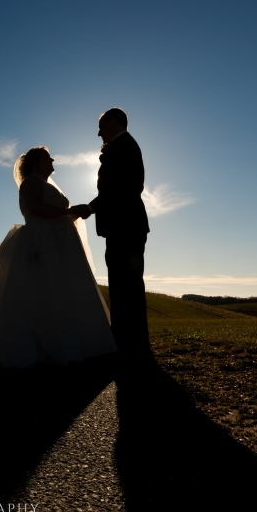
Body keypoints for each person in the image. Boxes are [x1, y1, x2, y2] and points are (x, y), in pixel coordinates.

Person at [0, 147, 117, 368]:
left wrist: (72, 213)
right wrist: (67, 212)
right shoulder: (31, 182)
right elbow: (36, 209)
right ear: (36, 164)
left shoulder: (45, 184)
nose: (53, 159)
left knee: (65, 290)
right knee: (47, 291)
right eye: (48, 157)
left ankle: (76, 342)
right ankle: (49, 344)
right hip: (42, 242)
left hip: (58, 243)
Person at [72, 108, 151, 361]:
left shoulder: (125, 146)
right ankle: (127, 340)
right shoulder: (121, 146)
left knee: (126, 284)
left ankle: (130, 343)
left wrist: (91, 207)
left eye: (101, 126)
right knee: (122, 283)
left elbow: (122, 188)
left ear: (114, 122)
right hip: (123, 226)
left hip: (126, 225)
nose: (99, 133)